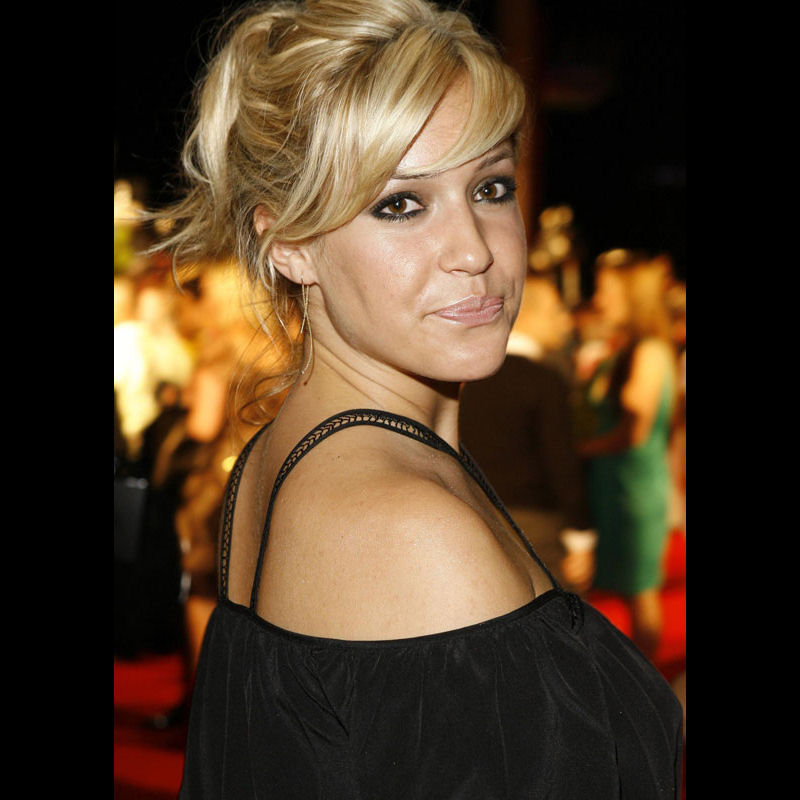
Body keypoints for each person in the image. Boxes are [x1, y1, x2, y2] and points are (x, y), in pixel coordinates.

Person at [148, 2, 682, 796]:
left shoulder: (296, 452)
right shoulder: (403, 522)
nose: (474, 250)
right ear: (289, 244)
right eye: (401, 204)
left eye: (491, 187)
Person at [460, 274, 596, 592]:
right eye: (556, 311)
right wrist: (580, 535)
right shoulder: (544, 380)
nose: (565, 321)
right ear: (526, 312)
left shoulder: (468, 378)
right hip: (537, 528)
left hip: (479, 519)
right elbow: (561, 462)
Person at [578, 249, 678, 660]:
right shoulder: (623, 349)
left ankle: (650, 686)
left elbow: (633, 431)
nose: (598, 299)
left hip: (632, 493)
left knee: (640, 594)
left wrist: (579, 450)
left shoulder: (650, 350)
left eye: (606, 290)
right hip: (611, 487)